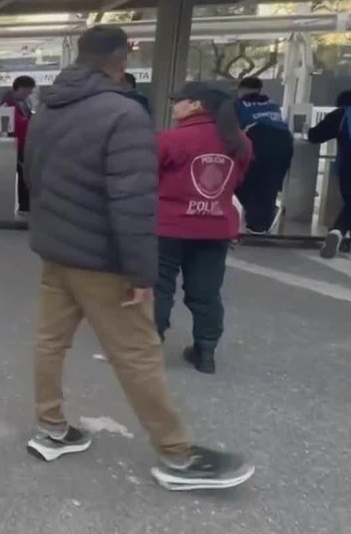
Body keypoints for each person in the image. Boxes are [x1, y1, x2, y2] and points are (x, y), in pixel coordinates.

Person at [24, 25, 253, 490]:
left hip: (56, 251)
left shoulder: (49, 107)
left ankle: (52, 428)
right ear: (121, 61)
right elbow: (131, 200)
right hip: (104, 258)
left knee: (51, 342)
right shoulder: (124, 114)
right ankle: (177, 456)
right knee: (138, 353)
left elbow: (33, 174)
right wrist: (141, 271)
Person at [154, 82, 252, 374]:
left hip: (168, 227)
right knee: (206, 291)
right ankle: (205, 350)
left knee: (159, 287)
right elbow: (237, 181)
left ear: (196, 104)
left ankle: (150, 347)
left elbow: (149, 177)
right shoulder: (240, 142)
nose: (174, 105)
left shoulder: (169, 139)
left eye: (178, 100)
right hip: (216, 227)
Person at [233, 77, 293, 234]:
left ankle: (257, 220)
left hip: (260, 139)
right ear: (259, 89)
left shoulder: (238, 104)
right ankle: (262, 223)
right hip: (284, 142)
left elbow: (232, 129)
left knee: (241, 182)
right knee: (269, 185)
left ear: (241, 89)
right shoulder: (272, 103)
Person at [305, 89, 351, 257]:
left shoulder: (342, 114)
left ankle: (338, 232)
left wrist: (306, 129)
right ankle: (340, 234)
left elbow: (315, 136)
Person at [0, 75, 36, 214]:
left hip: (23, 145)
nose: (29, 94)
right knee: (20, 175)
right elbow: (9, 125)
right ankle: (22, 206)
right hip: (14, 145)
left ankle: (25, 205)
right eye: (28, 90)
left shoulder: (23, 103)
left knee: (24, 176)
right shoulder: (8, 104)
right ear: (20, 88)